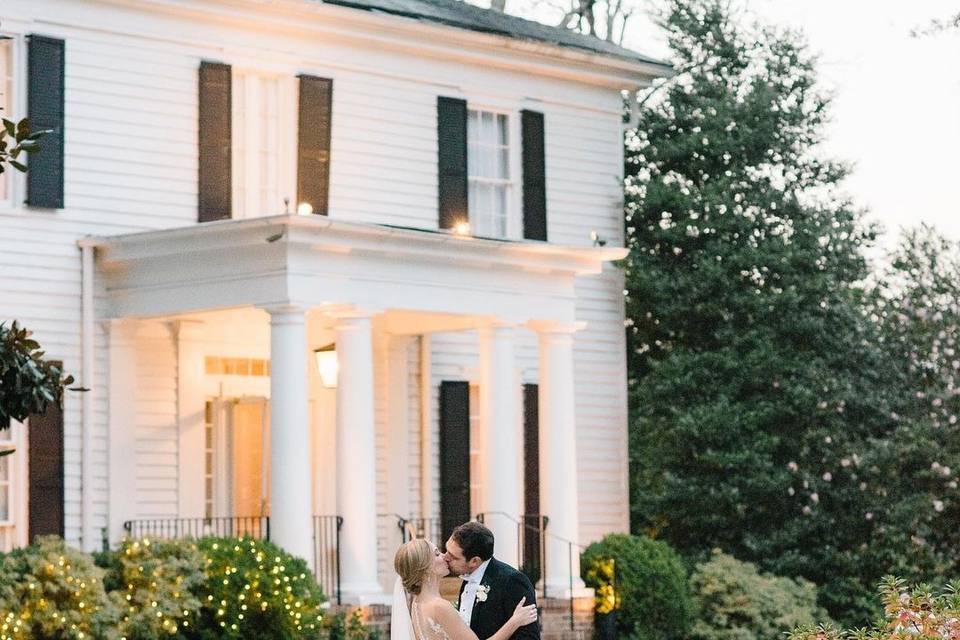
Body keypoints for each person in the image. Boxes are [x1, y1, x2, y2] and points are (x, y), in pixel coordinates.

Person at [392, 536, 537, 640]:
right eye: (437, 554)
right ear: (426, 568)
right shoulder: (439, 606)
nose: (444, 556)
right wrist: (515, 621)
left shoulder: (416, 603)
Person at [444, 522, 540, 640]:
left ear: (474, 561)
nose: (445, 557)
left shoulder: (512, 581)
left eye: (453, 556)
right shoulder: (467, 578)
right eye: (446, 550)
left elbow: (529, 637)